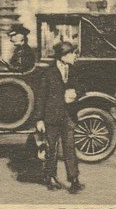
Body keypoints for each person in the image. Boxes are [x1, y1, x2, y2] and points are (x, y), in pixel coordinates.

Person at [35, 41, 84, 194]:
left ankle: (74, 179)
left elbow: (82, 87)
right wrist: (39, 119)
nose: (75, 56)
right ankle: (50, 177)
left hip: (68, 116)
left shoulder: (74, 70)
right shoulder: (48, 72)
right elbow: (41, 97)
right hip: (51, 117)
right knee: (51, 148)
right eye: (72, 53)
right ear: (63, 56)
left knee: (69, 147)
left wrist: (76, 93)